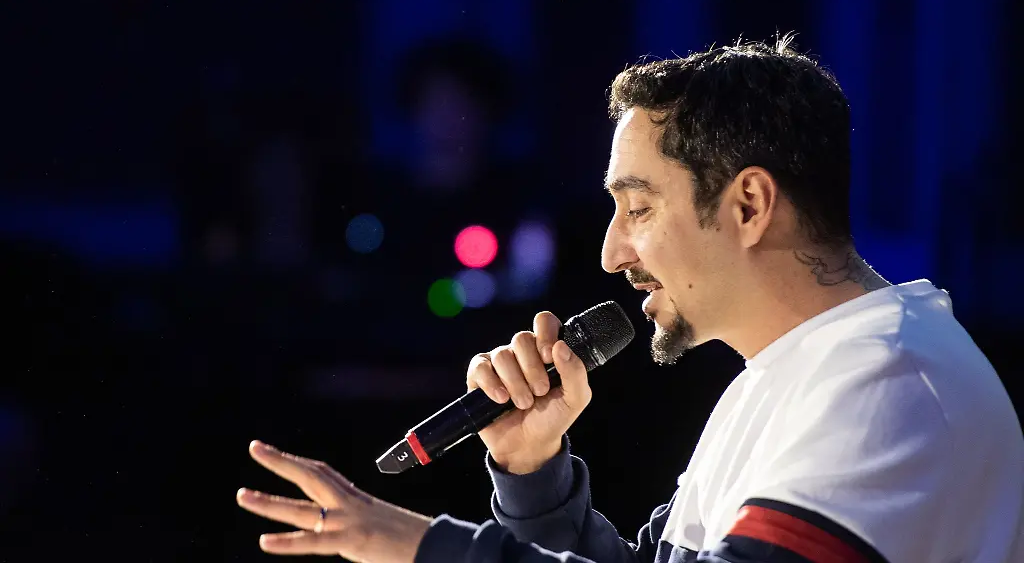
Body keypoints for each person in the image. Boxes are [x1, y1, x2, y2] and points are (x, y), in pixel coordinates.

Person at [234, 37, 1024, 562]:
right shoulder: (788, 376)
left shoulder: (888, 384)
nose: (613, 253)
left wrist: (420, 546)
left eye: (639, 209)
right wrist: (533, 470)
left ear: (749, 205)